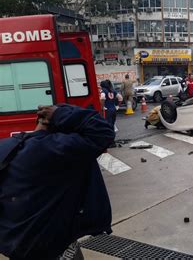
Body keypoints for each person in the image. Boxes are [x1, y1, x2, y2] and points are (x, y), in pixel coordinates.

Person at [0, 105, 114, 259]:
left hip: (17, 244)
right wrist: (61, 114)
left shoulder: (6, 147)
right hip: (53, 246)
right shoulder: (59, 149)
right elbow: (104, 132)